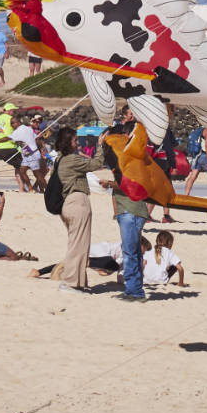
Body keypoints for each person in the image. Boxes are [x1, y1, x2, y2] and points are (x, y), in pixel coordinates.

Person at [47, 125, 99, 292]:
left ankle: (77, 282)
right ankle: (70, 282)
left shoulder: (60, 159)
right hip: (76, 202)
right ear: (68, 142)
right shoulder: (71, 159)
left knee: (78, 244)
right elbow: (96, 164)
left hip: (68, 204)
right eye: (76, 140)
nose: (78, 143)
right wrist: (101, 146)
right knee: (78, 245)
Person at [98, 142, 152, 302]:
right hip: (130, 212)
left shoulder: (128, 163)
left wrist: (109, 184)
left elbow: (129, 185)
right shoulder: (129, 161)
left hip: (131, 211)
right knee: (133, 252)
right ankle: (135, 289)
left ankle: (134, 291)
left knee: (130, 254)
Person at [183, 122, 207, 199]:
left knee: (193, 176)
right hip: (205, 156)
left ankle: (186, 195)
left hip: (198, 156)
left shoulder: (201, 129)